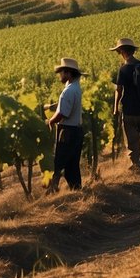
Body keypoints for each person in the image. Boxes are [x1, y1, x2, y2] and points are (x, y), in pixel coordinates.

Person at [111, 38, 140, 171]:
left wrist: (115, 108)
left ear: (122, 52)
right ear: (133, 51)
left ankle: (135, 164)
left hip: (129, 110)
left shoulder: (123, 70)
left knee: (132, 140)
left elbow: (119, 90)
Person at [45, 57, 84, 191]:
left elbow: (62, 113)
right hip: (76, 131)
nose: (60, 75)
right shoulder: (76, 88)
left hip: (67, 131)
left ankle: (52, 191)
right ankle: (77, 191)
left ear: (68, 73)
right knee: (72, 165)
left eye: (61, 72)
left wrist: (50, 121)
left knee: (59, 163)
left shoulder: (68, 91)